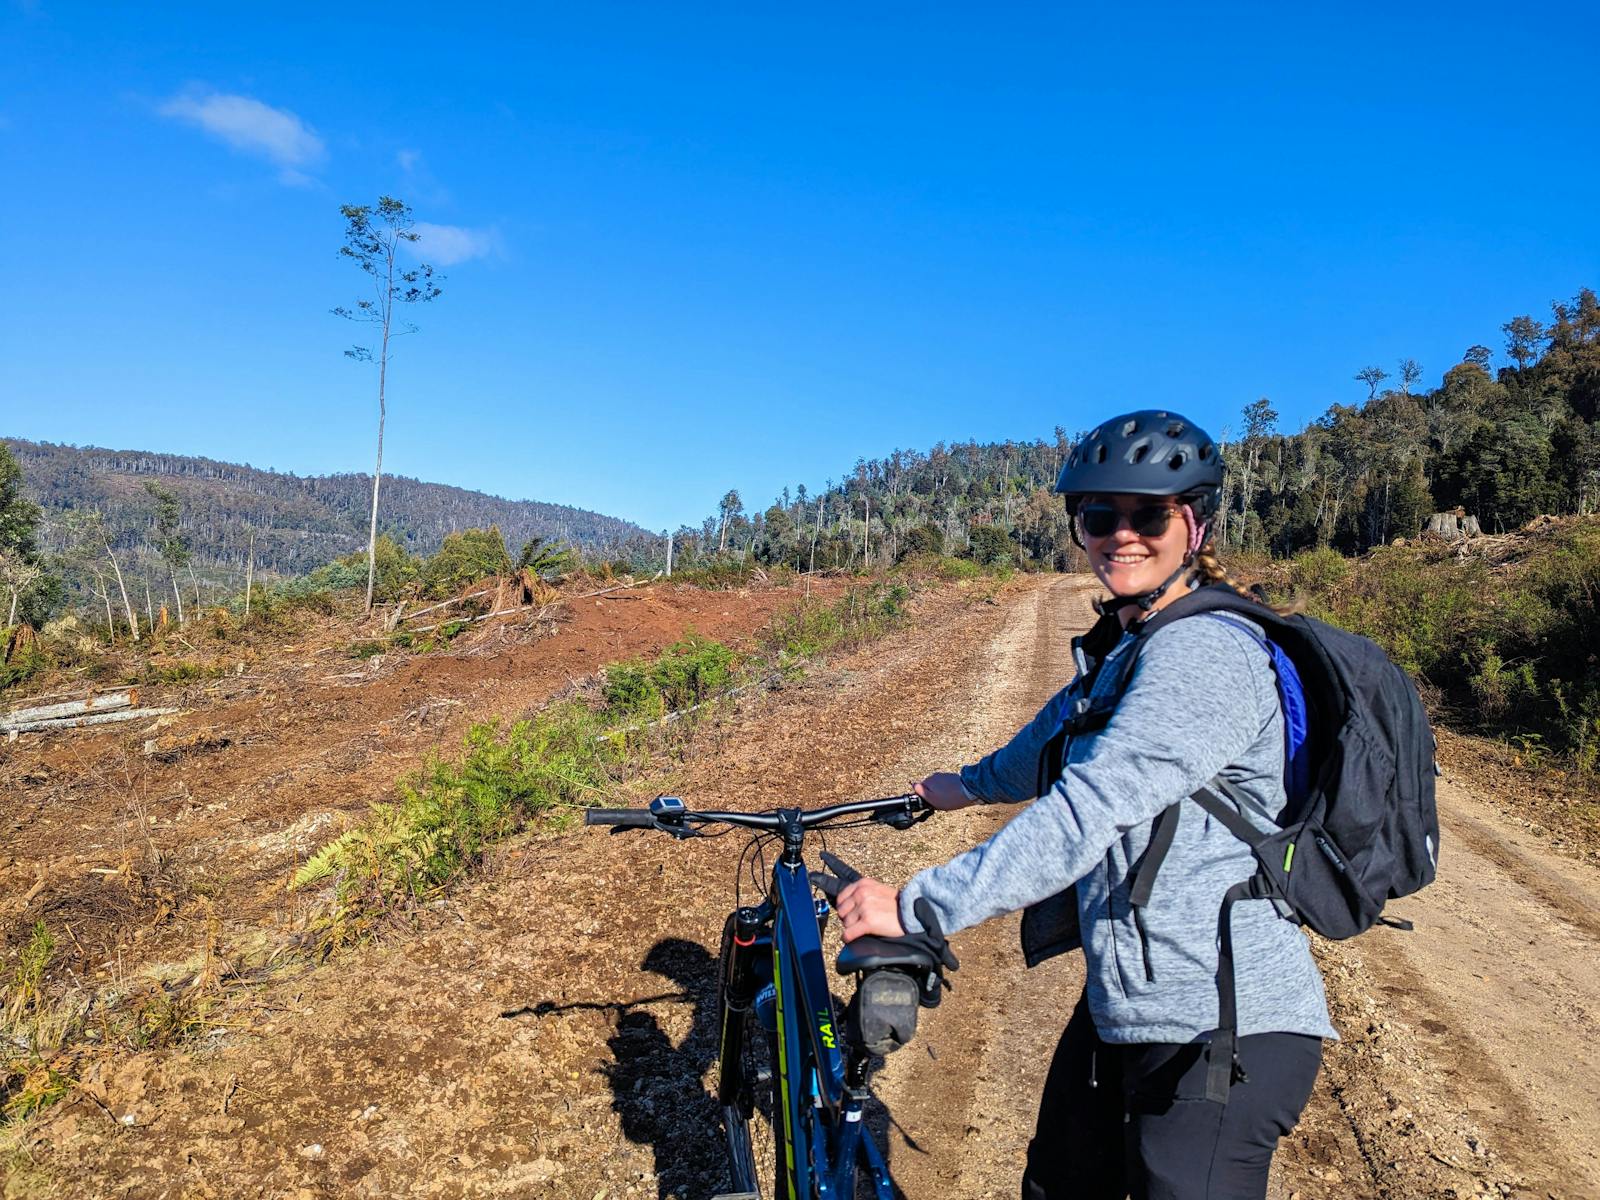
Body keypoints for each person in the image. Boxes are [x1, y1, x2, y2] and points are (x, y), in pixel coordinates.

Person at [834, 410, 1333, 1200]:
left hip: (1221, 1029)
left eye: (1150, 515)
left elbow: (1085, 811)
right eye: (1101, 515)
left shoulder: (1204, 652)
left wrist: (917, 904)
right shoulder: (1135, 642)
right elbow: (1050, 745)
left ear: (1195, 524)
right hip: (1127, 1007)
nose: (1121, 534)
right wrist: (955, 786)